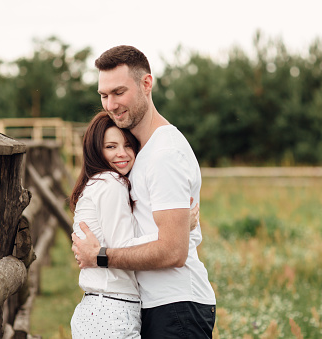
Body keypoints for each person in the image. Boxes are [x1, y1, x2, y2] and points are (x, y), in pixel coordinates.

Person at [72, 45, 216, 338]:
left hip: (177, 305)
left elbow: (173, 251)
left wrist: (99, 256)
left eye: (119, 92)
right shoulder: (142, 154)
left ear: (146, 84)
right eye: (104, 95)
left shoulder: (165, 153)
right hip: (155, 304)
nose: (110, 104)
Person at [69, 111, 199, 338]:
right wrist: (179, 229)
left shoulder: (97, 183)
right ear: (95, 150)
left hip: (99, 308)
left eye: (128, 146)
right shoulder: (111, 183)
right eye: (111, 147)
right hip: (111, 310)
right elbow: (124, 247)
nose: (122, 154)